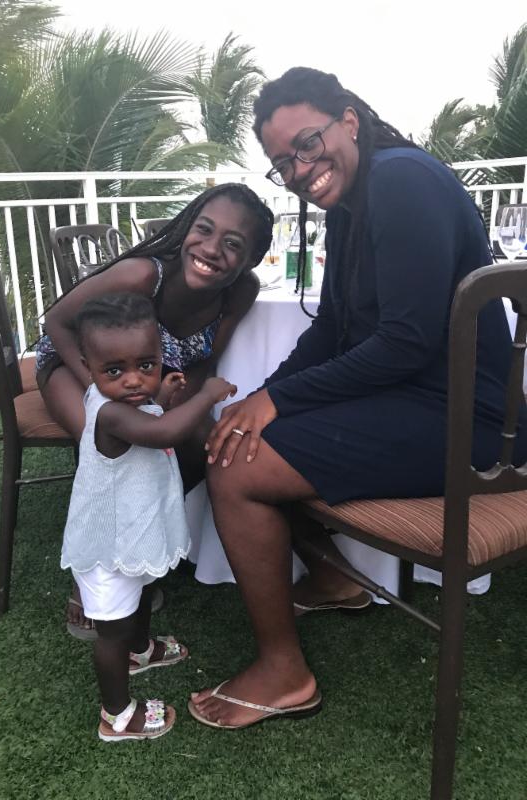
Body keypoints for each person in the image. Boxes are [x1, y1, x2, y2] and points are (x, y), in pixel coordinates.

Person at [188, 67, 527, 729]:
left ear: (348, 121)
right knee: (240, 432)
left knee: (236, 467)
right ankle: (337, 579)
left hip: (471, 422)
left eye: (306, 144)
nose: (299, 169)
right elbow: (334, 331)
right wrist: (266, 396)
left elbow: (404, 342)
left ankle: (285, 674)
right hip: (421, 402)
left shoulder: (401, 180)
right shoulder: (354, 201)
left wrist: (278, 403)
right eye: (283, 163)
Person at [35, 183, 275, 637]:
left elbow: (204, 358)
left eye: (232, 243)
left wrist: (178, 407)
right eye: (204, 229)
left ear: (250, 260)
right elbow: (58, 322)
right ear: (187, 228)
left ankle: (142, 545)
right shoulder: (143, 276)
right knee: (110, 449)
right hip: (76, 365)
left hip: (153, 384)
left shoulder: (240, 292)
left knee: (201, 447)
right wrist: (102, 395)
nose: (211, 248)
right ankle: (90, 578)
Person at [62, 292, 236, 740]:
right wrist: (206, 394)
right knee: (113, 630)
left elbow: (152, 415)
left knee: (140, 593)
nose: (134, 381)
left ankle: (140, 650)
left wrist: (162, 396)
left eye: (146, 365)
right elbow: (163, 432)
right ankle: (117, 715)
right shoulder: (111, 414)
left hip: (132, 534)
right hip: (108, 545)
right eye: (114, 371)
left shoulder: (130, 401)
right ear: (87, 366)